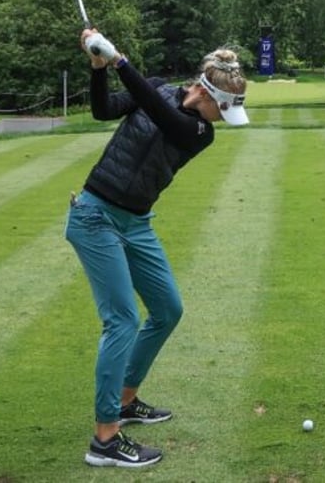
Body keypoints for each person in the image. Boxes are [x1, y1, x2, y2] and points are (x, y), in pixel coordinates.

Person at [64, 28, 248, 468]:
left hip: (136, 222)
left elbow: (163, 117)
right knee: (123, 319)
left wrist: (120, 61)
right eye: (224, 110)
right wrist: (98, 68)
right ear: (206, 93)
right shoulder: (163, 91)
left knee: (167, 309)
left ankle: (125, 400)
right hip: (95, 216)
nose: (224, 119)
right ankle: (105, 438)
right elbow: (104, 109)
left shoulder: (199, 131)